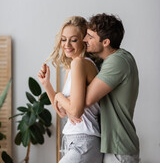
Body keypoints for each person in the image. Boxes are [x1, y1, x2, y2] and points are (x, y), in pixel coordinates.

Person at [38, 16, 103, 163]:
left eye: (73, 39)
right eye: (63, 39)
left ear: (84, 41)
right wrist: (47, 84)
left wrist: (60, 96)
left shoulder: (80, 63)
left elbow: (75, 111)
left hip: (84, 141)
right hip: (71, 140)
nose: (67, 44)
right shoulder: (72, 66)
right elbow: (63, 113)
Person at [82, 13, 140, 163]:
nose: (84, 40)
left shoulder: (118, 61)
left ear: (106, 42)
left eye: (90, 36)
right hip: (112, 148)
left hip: (119, 151)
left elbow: (86, 99)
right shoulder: (107, 61)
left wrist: (58, 97)